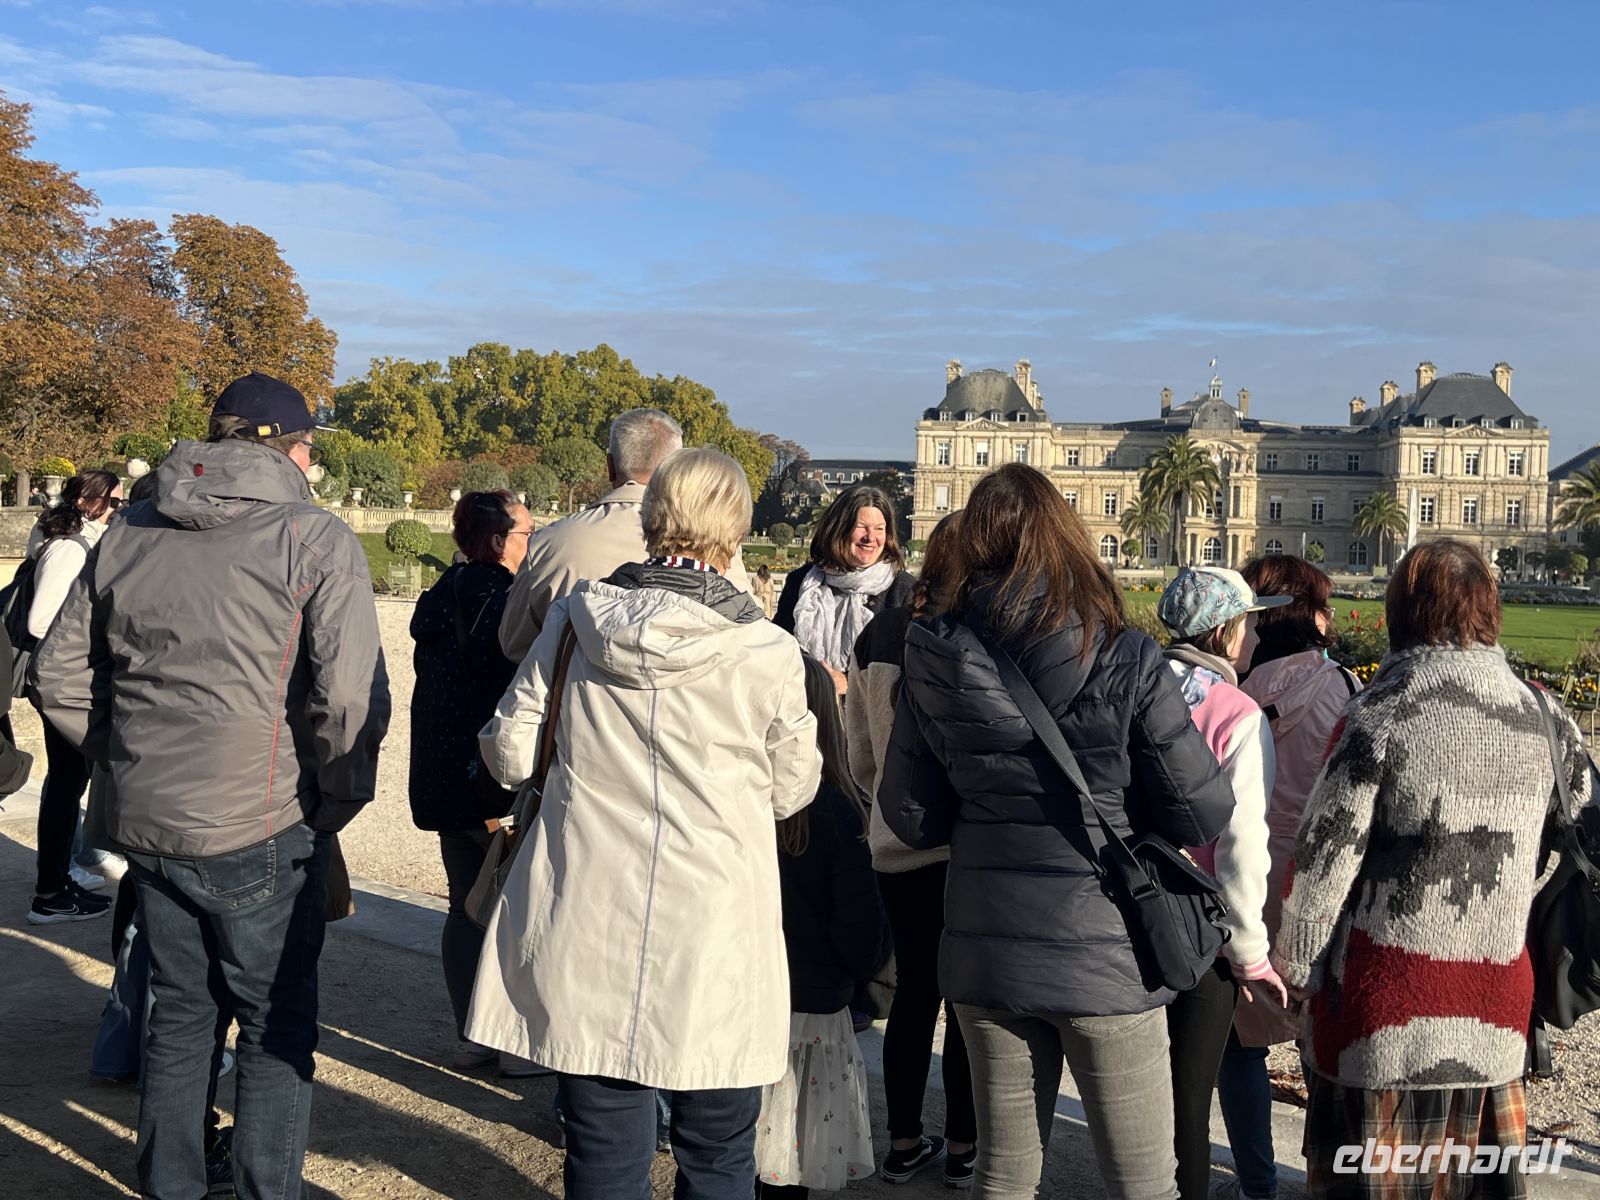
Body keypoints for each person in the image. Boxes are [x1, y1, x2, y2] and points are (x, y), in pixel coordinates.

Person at [31, 371, 391, 1200]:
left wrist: (130, 763)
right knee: (273, 1029)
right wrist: (336, 796)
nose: (313, 463)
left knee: (182, 1018)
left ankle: (173, 1186)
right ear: (286, 449)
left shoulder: (127, 532)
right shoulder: (315, 536)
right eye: (310, 447)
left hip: (153, 821)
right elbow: (345, 698)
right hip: (263, 817)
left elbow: (58, 678)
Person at [467, 447, 822, 1200]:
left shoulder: (575, 620)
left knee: (602, 1149)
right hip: (716, 925)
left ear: (654, 516)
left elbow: (507, 752)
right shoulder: (766, 651)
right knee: (720, 1150)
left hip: (591, 905)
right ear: (735, 528)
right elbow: (793, 789)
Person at [879, 463, 1235, 1200]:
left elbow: (909, 816)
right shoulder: (1124, 652)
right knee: (1143, 1182)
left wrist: (983, 790)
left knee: (1003, 1178)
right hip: (1104, 947)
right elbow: (1201, 811)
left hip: (986, 943)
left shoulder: (932, 650)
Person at [1271, 539, 1598, 1198]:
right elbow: (1588, 834)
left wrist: (1295, 971)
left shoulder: (1382, 712)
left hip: (1382, 1011)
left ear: (1403, 611)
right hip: (1495, 1004)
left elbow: (1326, 857)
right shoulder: (1547, 716)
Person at [1213, 554, 1359, 1200]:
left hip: (1244, 879)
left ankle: (1257, 1185)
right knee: (1321, 1044)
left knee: (1240, 1047)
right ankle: (1325, 1181)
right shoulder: (1343, 689)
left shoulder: (1233, 689)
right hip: (1316, 884)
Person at [847, 510, 978, 1187]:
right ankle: (962, 1146)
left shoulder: (881, 630)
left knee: (912, 997)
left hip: (895, 842)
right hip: (964, 844)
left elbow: (860, 753)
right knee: (963, 1000)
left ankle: (903, 1140)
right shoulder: (974, 632)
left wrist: (883, 803)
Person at [1154, 567, 1289, 1200]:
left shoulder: (1131, 683)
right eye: (1251, 622)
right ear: (1226, 629)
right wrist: (1251, 954)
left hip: (1123, 906)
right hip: (1199, 930)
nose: (1257, 635)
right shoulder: (1235, 711)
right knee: (1188, 1098)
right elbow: (1241, 846)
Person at [756, 654, 892, 1198]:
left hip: (745, 998)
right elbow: (860, 934)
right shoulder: (840, 812)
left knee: (732, 1148)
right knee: (795, 1155)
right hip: (814, 1007)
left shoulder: (737, 802)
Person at [408, 490, 533, 1069]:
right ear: (495, 541)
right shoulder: (507, 601)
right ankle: (512, 1043)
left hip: (442, 775)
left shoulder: (439, 596)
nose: (532, 544)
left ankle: (473, 1033)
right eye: (526, 534)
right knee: (514, 906)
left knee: (464, 907)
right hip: (492, 779)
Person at [498, 407, 750, 662]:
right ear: (678, 470)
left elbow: (514, 645)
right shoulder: (713, 544)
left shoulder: (547, 543)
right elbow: (747, 634)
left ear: (610, 465)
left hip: (577, 692)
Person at [23, 468, 121, 923]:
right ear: (88, 501)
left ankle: (58, 881)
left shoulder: (58, 536)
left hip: (61, 677)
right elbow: (41, 621)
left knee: (65, 783)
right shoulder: (68, 549)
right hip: (63, 680)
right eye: (114, 502)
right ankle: (51, 892)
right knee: (65, 785)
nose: (119, 510)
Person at [773, 485, 916, 693]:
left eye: (879, 529)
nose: (870, 537)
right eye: (861, 527)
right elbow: (779, 650)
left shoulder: (903, 590)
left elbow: (909, 672)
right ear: (838, 528)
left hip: (869, 720)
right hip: (805, 709)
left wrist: (850, 682)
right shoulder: (801, 583)